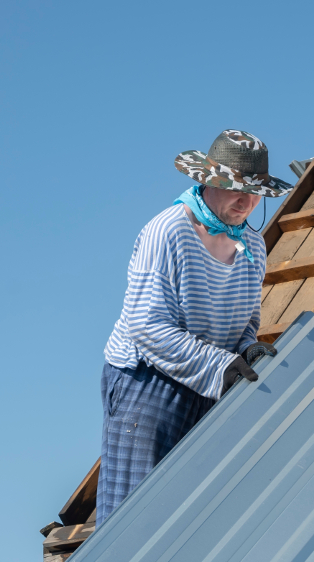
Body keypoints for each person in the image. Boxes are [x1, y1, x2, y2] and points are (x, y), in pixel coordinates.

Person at [96, 130, 293, 525]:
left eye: (255, 192)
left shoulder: (253, 247)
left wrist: (247, 349)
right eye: (237, 188)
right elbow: (145, 325)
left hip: (211, 379)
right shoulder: (168, 231)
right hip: (148, 381)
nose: (247, 201)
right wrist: (220, 366)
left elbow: (246, 318)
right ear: (207, 181)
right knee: (134, 516)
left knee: (190, 513)